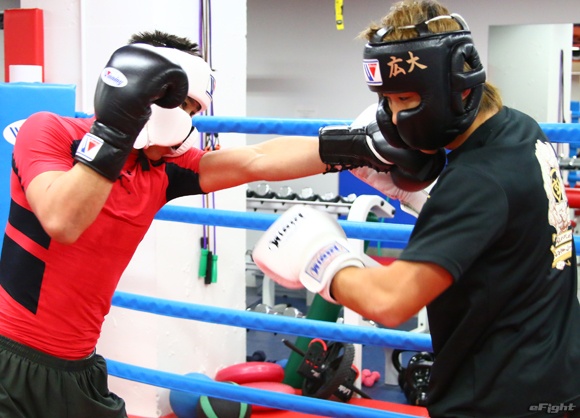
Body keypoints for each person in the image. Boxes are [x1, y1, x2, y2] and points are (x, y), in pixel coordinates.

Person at [0, 27, 444, 417]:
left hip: (77, 366)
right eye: (181, 105)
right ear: (139, 95)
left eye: (193, 111)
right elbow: (62, 219)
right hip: (10, 359)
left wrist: (357, 147)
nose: (187, 123)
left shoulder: (162, 171)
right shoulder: (50, 132)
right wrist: (116, 129)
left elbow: (255, 159)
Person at [253, 1, 580, 417]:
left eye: (405, 98)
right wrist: (423, 198)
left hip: (495, 396)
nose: (394, 117)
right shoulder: (520, 129)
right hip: (553, 374)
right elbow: (503, 233)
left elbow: (390, 303)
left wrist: (322, 261)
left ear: (457, 88)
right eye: (387, 101)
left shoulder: (476, 180)